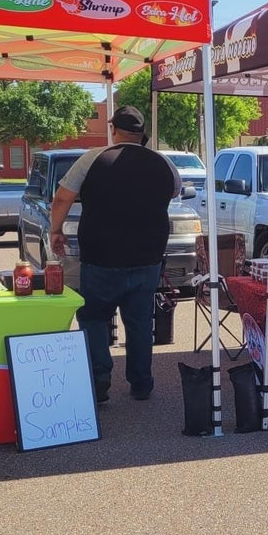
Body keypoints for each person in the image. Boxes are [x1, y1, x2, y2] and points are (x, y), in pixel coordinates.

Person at [50, 106, 180, 406]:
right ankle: (141, 383)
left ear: (113, 129)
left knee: (93, 317)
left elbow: (61, 198)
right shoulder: (162, 161)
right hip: (147, 256)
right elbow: (175, 192)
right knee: (139, 322)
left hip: (101, 257)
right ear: (141, 132)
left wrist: (55, 231)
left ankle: (99, 380)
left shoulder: (93, 158)